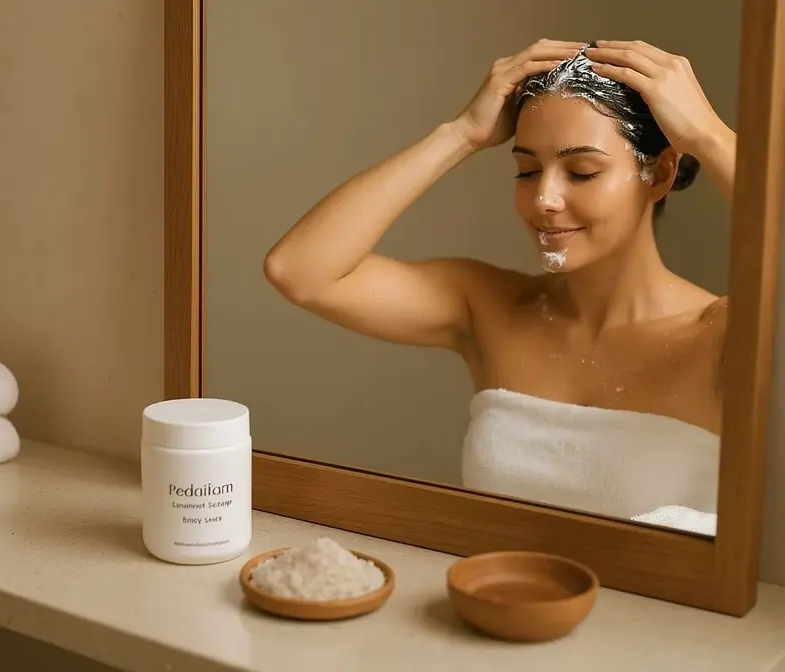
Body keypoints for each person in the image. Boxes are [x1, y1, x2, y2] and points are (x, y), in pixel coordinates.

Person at [261, 40, 737, 521]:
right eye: (527, 171)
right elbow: (300, 270)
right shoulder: (488, 307)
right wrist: (461, 133)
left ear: (658, 175)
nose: (544, 198)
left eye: (582, 171)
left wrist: (709, 135)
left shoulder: (723, 335)